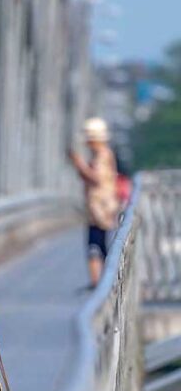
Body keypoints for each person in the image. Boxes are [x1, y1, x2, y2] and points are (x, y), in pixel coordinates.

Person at [69, 117, 118, 289]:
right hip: (96, 209)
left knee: (97, 246)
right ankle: (100, 283)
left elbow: (95, 178)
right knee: (96, 245)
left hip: (101, 210)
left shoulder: (103, 155)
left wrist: (79, 164)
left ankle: (102, 283)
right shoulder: (100, 155)